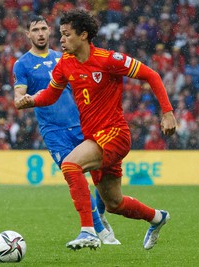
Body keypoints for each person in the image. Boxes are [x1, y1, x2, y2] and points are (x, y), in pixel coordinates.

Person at [15, 9, 177, 250]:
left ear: (83, 35)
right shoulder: (66, 64)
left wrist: (167, 112)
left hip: (115, 134)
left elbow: (151, 75)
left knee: (71, 165)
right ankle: (157, 217)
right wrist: (32, 100)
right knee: (114, 203)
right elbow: (51, 94)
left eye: (66, 35)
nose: (60, 40)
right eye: (60, 34)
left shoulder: (109, 59)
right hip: (94, 137)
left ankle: (88, 231)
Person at [13, 15, 120, 249]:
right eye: (35, 30)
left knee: (102, 176)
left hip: (81, 125)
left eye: (44, 29)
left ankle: (99, 216)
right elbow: (19, 96)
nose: (41, 33)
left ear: (49, 31)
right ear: (28, 35)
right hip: (54, 132)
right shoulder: (22, 65)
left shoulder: (64, 58)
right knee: (76, 177)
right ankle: (98, 231)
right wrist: (23, 100)